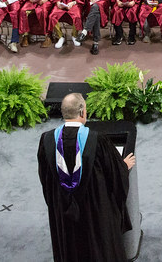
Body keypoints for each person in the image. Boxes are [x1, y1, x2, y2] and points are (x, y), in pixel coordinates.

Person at [37, 93, 135, 262]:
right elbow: (115, 175)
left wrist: (60, 203)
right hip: (95, 211)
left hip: (64, 210)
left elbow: (45, 179)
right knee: (98, 245)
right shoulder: (96, 140)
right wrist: (124, 167)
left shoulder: (47, 140)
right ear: (82, 112)